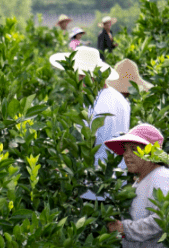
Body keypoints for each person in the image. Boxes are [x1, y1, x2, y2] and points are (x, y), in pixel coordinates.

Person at [48, 46, 125, 202]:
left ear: (84, 77)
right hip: (118, 182)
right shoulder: (121, 99)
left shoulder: (94, 104)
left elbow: (86, 145)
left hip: (93, 186)